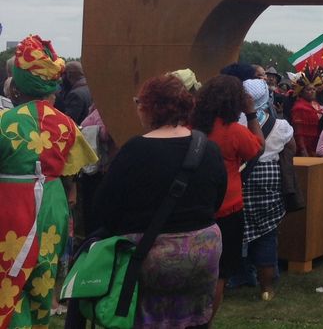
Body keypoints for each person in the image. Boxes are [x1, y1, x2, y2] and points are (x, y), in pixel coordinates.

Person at [90, 74, 225, 327]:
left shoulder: (134, 151)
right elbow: (216, 199)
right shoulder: (208, 148)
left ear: (149, 108)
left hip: (150, 258)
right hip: (203, 254)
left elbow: (103, 209)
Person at [0, 36, 96, 328]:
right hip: (52, 203)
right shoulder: (67, 124)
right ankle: (40, 319)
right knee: (44, 272)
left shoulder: (5, 122)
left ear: (17, 83)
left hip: (12, 201)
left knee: (9, 275)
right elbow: (73, 167)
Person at [190, 74, 264, 317]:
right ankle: (206, 319)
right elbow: (257, 148)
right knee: (220, 272)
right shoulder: (233, 131)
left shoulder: (189, 126)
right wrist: (251, 114)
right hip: (227, 208)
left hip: (193, 205)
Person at [238, 79, 293, 302]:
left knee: (237, 230)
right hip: (269, 176)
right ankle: (267, 288)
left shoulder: (235, 124)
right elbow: (291, 148)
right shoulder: (280, 125)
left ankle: (238, 276)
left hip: (241, 175)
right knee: (267, 233)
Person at [289, 69, 323, 156]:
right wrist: (302, 149)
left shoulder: (316, 104)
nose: (312, 91)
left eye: (314, 89)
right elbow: (298, 132)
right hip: (305, 148)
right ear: (301, 92)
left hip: (317, 145)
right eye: (309, 90)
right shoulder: (299, 107)